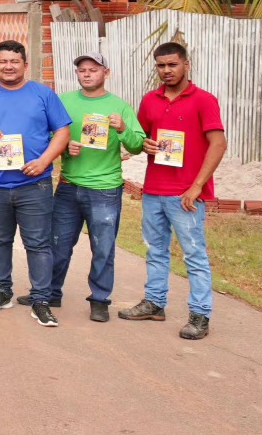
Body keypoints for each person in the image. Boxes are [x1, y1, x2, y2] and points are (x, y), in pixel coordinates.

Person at [15, 53, 142, 322]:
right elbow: (48, 133)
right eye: (82, 70)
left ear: (105, 73)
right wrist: (63, 145)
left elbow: (137, 145)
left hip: (105, 188)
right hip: (69, 186)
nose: (86, 74)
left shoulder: (119, 106)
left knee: (103, 247)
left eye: (93, 70)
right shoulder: (65, 101)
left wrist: (122, 129)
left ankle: (99, 300)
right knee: (57, 244)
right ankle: (50, 292)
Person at [0, 41, 71, 327]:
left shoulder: (43, 95)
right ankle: (2, 292)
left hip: (35, 184)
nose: (8, 66)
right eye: (2, 61)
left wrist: (44, 161)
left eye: (14, 61)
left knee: (38, 243)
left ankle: (41, 300)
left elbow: (63, 131)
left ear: (25, 64)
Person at [119, 41, 227, 340]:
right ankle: (154, 303)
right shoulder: (150, 100)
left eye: (172, 65)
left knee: (194, 255)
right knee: (155, 250)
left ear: (186, 65)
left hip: (186, 195)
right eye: (161, 66)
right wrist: (145, 144)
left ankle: (199, 315)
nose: (166, 71)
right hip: (154, 189)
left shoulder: (204, 100)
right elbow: (138, 141)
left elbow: (218, 144)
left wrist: (196, 187)